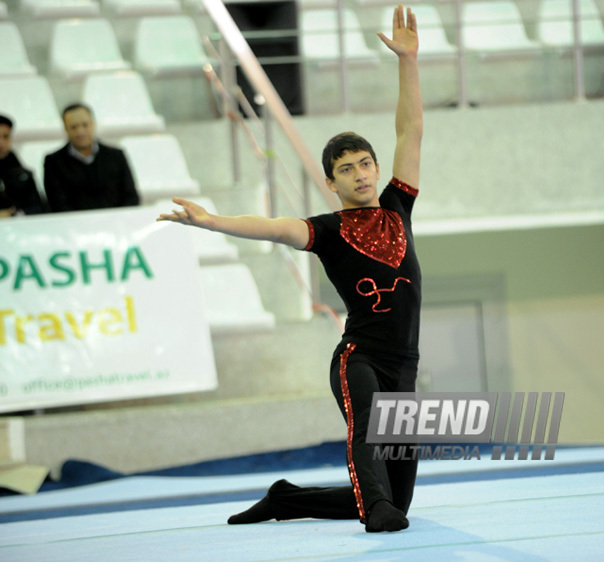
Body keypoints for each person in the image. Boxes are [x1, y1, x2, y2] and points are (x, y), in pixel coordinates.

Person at [158, 4, 422, 533]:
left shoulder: (397, 206)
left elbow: (410, 129)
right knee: (368, 442)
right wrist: (212, 222)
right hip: (360, 359)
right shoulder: (327, 229)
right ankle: (377, 515)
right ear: (332, 182)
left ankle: (285, 498)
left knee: (393, 496)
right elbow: (274, 227)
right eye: (346, 170)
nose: (360, 174)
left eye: (365, 163)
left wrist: (407, 63)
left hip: (405, 366)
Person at [44, 103, 139, 212]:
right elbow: (57, 203)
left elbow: (131, 197)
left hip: (116, 224)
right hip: (74, 226)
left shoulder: (116, 156)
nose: (80, 131)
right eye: (74, 127)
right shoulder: (53, 162)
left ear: (93, 124)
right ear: (65, 129)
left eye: (85, 125)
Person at [0, 114, 47, 217]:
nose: (1, 143)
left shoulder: (22, 173)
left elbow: (38, 207)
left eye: (5, 137)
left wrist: (13, 215)